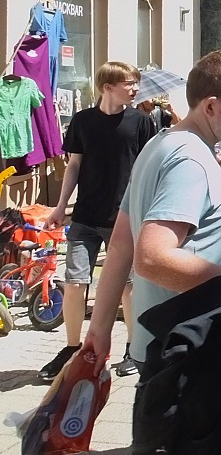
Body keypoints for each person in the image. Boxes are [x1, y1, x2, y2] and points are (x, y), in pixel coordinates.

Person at [79, 51, 221, 416]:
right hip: (186, 353)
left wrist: (98, 333)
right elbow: (151, 258)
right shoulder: (190, 160)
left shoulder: (160, 144)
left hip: (159, 347)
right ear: (210, 107)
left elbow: (120, 245)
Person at [40, 62, 154, 381]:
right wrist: (61, 206)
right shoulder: (83, 121)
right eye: (129, 83)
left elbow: (149, 167)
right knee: (75, 283)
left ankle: (133, 348)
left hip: (124, 218)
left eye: (136, 83)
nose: (135, 89)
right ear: (107, 87)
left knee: (128, 287)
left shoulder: (141, 122)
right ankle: (72, 348)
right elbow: (74, 165)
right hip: (86, 217)